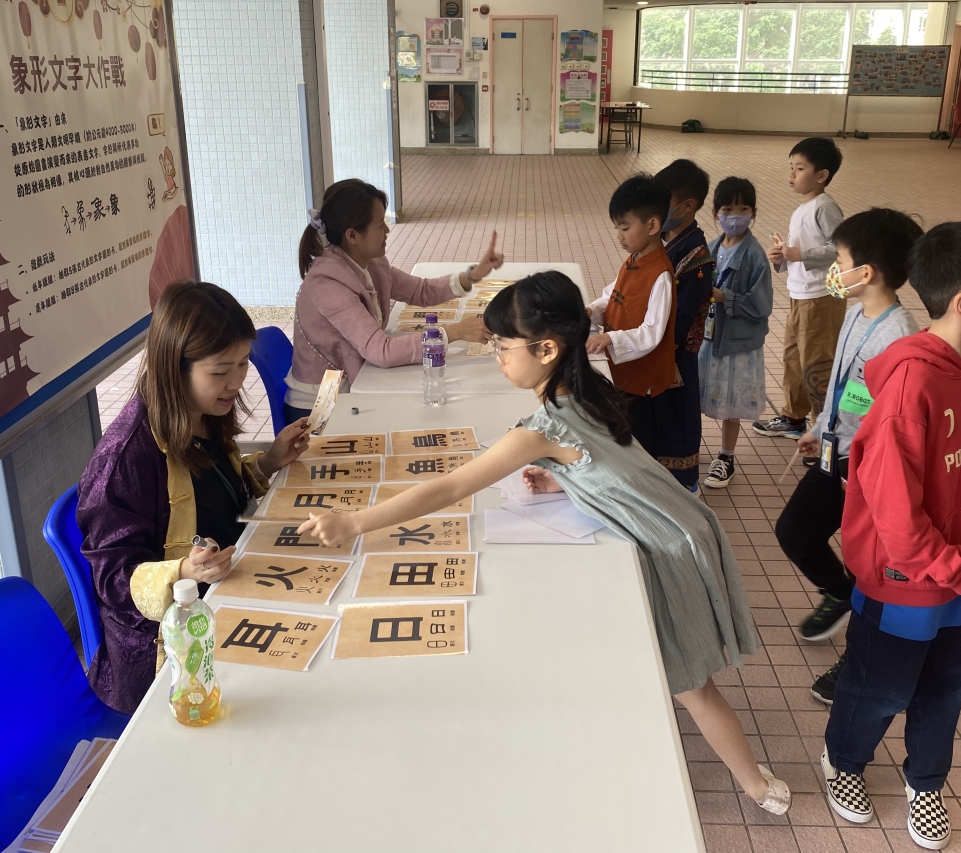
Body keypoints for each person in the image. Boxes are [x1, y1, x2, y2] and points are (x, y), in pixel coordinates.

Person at [297, 271, 792, 816]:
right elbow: (614, 461)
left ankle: (756, 785)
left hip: (667, 545)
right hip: (681, 522)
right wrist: (566, 478)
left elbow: (449, 487)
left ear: (547, 349)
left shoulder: (541, 429)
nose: (496, 357)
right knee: (677, 672)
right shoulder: (585, 390)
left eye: (502, 347)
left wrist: (354, 522)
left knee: (693, 686)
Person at [820, 223, 961, 851]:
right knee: (881, 684)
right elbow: (895, 517)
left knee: (948, 680)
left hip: (959, 575)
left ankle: (926, 782)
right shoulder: (911, 386)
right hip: (905, 579)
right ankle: (844, 760)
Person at [78, 280, 315, 715]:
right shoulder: (127, 457)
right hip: (168, 653)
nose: (236, 382)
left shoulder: (203, 412)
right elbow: (111, 580)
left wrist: (268, 462)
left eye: (242, 364)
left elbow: (215, 494)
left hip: (231, 589)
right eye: (220, 372)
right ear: (175, 368)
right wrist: (183, 572)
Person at [773, 209, 924, 705]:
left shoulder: (900, 336)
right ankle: (839, 594)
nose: (834, 269)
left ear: (868, 271)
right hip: (835, 451)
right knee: (795, 531)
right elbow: (845, 386)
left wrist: (858, 460)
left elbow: (892, 418)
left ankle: (857, 659)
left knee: (867, 563)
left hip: (866, 468)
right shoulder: (857, 312)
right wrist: (821, 429)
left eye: (839, 260)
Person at [287, 178, 503, 422]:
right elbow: (382, 351)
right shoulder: (328, 284)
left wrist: (472, 275)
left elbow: (421, 291)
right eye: (380, 225)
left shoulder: (370, 263)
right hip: (319, 407)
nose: (387, 231)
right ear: (352, 235)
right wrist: (455, 332)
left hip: (356, 383)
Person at [585, 174, 681, 471]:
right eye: (617, 227)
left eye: (625, 228)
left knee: (640, 449)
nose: (619, 236)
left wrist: (610, 338)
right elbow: (614, 297)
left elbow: (652, 332)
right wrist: (593, 310)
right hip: (624, 374)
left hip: (643, 383)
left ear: (652, 225)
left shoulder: (661, 274)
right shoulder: (633, 260)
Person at [756, 137, 847, 440]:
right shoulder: (802, 209)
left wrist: (799, 254)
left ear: (822, 175)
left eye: (800, 168)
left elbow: (840, 249)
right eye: (791, 167)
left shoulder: (825, 207)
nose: (792, 175)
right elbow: (799, 250)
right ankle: (794, 418)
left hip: (821, 297)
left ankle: (822, 431)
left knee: (817, 363)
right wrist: (781, 258)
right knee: (794, 358)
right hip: (800, 295)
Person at [698, 177, 773, 489]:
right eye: (728, 209)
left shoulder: (754, 255)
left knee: (731, 402)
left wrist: (724, 297)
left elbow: (762, 305)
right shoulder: (711, 248)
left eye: (743, 209)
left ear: (753, 213)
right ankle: (691, 447)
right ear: (716, 212)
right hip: (710, 337)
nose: (735, 216)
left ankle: (726, 457)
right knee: (700, 392)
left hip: (739, 343)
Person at [655, 159, 716, 492]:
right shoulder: (669, 242)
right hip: (660, 351)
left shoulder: (696, 257)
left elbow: (680, 322)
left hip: (675, 356)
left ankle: (683, 490)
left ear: (688, 205)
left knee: (676, 424)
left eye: (663, 202)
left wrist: (638, 337)